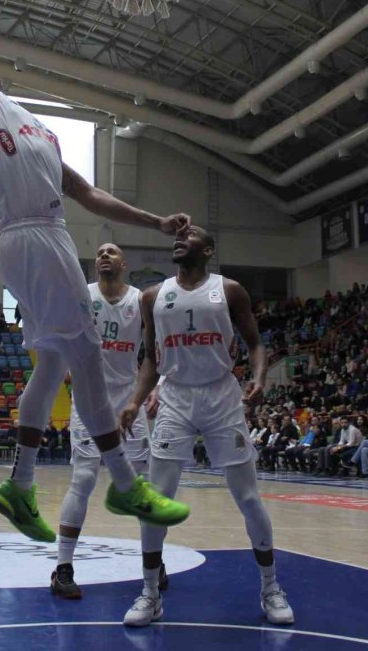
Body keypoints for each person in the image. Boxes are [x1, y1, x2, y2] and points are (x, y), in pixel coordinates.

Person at [0, 0, 191, 542]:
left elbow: (89, 193)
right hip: (33, 237)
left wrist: (153, 222)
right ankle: (125, 483)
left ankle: (21, 483)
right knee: (84, 353)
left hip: (44, 237)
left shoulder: (31, 125)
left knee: (53, 364)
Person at [119, 225, 294, 628]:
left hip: (221, 396)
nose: (180, 238)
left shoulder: (230, 290)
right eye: (177, 236)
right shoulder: (152, 296)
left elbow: (254, 343)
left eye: (191, 234)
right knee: (156, 498)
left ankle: (271, 587)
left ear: (209, 249)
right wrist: (133, 401)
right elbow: (151, 359)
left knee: (247, 497)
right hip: (175, 396)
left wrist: (259, 377)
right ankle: (149, 592)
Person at [50, 243, 167, 600]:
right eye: (99, 251)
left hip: (127, 399)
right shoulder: (80, 296)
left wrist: (157, 387)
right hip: (89, 398)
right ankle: (63, 568)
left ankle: (154, 560)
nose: (104, 255)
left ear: (123, 263)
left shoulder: (140, 300)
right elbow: (58, 337)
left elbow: (160, 348)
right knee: (83, 478)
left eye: (111, 251)